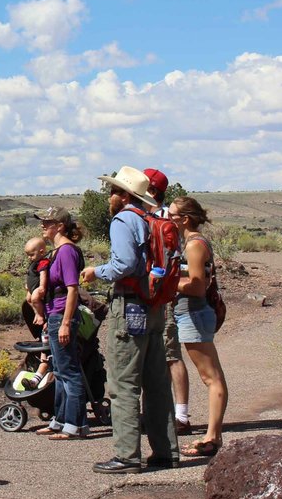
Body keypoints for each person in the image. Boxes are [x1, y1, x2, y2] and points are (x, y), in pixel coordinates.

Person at [80, 166, 180, 473]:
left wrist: (97, 271)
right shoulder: (152, 219)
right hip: (153, 306)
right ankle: (166, 452)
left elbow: (123, 264)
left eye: (113, 191)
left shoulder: (125, 219)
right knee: (156, 382)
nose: (109, 196)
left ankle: (127, 455)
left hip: (130, 305)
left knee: (123, 383)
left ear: (124, 196)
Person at [169, 196, 228, 457]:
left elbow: (196, 286)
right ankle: (213, 436)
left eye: (172, 215)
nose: (167, 218)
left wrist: (169, 282)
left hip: (194, 315)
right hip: (192, 315)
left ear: (184, 219)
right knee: (211, 376)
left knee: (210, 377)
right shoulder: (191, 243)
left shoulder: (194, 246)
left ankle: (213, 437)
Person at [144, 168, 193, 435]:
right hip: (148, 296)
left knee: (171, 354)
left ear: (152, 191)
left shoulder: (165, 221)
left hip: (163, 296)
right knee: (150, 354)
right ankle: (153, 413)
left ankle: (181, 415)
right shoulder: (146, 216)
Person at [32, 207, 88, 439]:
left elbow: (72, 289)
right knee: (60, 371)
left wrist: (65, 323)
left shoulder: (66, 252)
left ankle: (74, 425)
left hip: (62, 315)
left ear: (60, 226)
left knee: (69, 372)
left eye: (48, 222)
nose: (43, 225)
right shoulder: (58, 252)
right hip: (55, 316)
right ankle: (61, 420)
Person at [23, 237, 52, 390]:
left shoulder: (43, 263)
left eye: (31, 255)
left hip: (47, 318)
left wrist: (41, 286)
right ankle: (37, 314)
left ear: (41, 252)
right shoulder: (34, 263)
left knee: (44, 355)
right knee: (30, 299)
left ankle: (36, 380)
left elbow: (43, 276)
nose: (29, 258)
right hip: (46, 322)